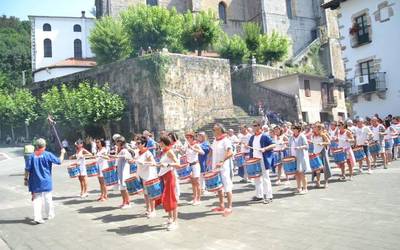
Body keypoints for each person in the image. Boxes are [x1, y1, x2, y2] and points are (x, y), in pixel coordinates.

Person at [24, 138, 66, 224]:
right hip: (46, 180)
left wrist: (25, 179)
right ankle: (49, 214)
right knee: (48, 198)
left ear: (36, 146)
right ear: (44, 146)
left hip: (35, 181)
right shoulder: (47, 154)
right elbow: (59, 161)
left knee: (37, 199)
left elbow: (27, 169)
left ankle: (37, 217)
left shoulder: (31, 156)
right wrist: (62, 153)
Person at [248, 120, 275, 203]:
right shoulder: (252, 137)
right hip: (255, 160)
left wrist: (265, 149)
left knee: (265, 178)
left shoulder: (264, 136)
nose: (253, 127)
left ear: (259, 126)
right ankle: (259, 195)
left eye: (255, 125)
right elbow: (250, 147)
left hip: (263, 159)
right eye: (253, 125)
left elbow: (273, 144)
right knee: (257, 178)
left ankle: (269, 196)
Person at [157, 135, 180, 230]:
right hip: (164, 176)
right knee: (166, 199)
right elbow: (163, 164)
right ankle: (170, 218)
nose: (159, 143)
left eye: (160, 141)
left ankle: (175, 221)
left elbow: (178, 164)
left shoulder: (170, 151)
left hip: (170, 176)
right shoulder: (163, 152)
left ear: (164, 142)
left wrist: (167, 164)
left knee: (172, 198)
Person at [211, 123, 234, 216]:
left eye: (215, 129)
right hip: (216, 167)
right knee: (219, 186)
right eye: (213, 129)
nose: (213, 131)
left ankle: (229, 207)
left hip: (224, 167)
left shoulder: (226, 140)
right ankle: (221, 205)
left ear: (220, 130)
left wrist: (222, 161)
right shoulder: (215, 141)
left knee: (227, 186)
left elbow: (230, 153)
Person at [135, 135, 158, 218]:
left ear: (144, 144)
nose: (137, 145)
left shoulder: (147, 153)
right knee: (145, 194)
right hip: (141, 175)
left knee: (150, 194)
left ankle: (153, 210)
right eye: (136, 143)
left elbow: (153, 163)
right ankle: (148, 209)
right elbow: (135, 161)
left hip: (148, 176)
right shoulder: (138, 153)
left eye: (138, 143)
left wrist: (144, 163)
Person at [181, 131, 205, 205]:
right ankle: (194, 198)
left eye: (188, 137)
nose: (187, 139)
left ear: (192, 137)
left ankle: (198, 199)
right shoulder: (187, 145)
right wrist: (181, 150)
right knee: (193, 183)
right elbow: (185, 154)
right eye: (186, 137)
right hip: (189, 165)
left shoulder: (196, 144)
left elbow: (202, 152)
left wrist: (193, 148)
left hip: (195, 165)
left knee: (197, 182)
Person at [288, 124, 310, 194]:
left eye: (294, 128)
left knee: (302, 173)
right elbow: (289, 145)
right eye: (292, 129)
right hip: (293, 157)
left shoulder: (302, 136)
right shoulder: (291, 137)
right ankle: (299, 188)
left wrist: (299, 147)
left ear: (298, 129)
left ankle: (305, 188)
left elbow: (307, 146)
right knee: (297, 173)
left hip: (301, 157)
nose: (293, 130)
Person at [311, 123, 332, 188]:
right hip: (315, 153)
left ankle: (326, 182)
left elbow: (329, 142)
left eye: (315, 127)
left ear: (318, 128)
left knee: (325, 168)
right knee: (317, 168)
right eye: (313, 127)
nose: (313, 128)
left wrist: (322, 143)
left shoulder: (323, 135)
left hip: (322, 152)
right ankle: (318, 182)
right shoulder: (313, 135)